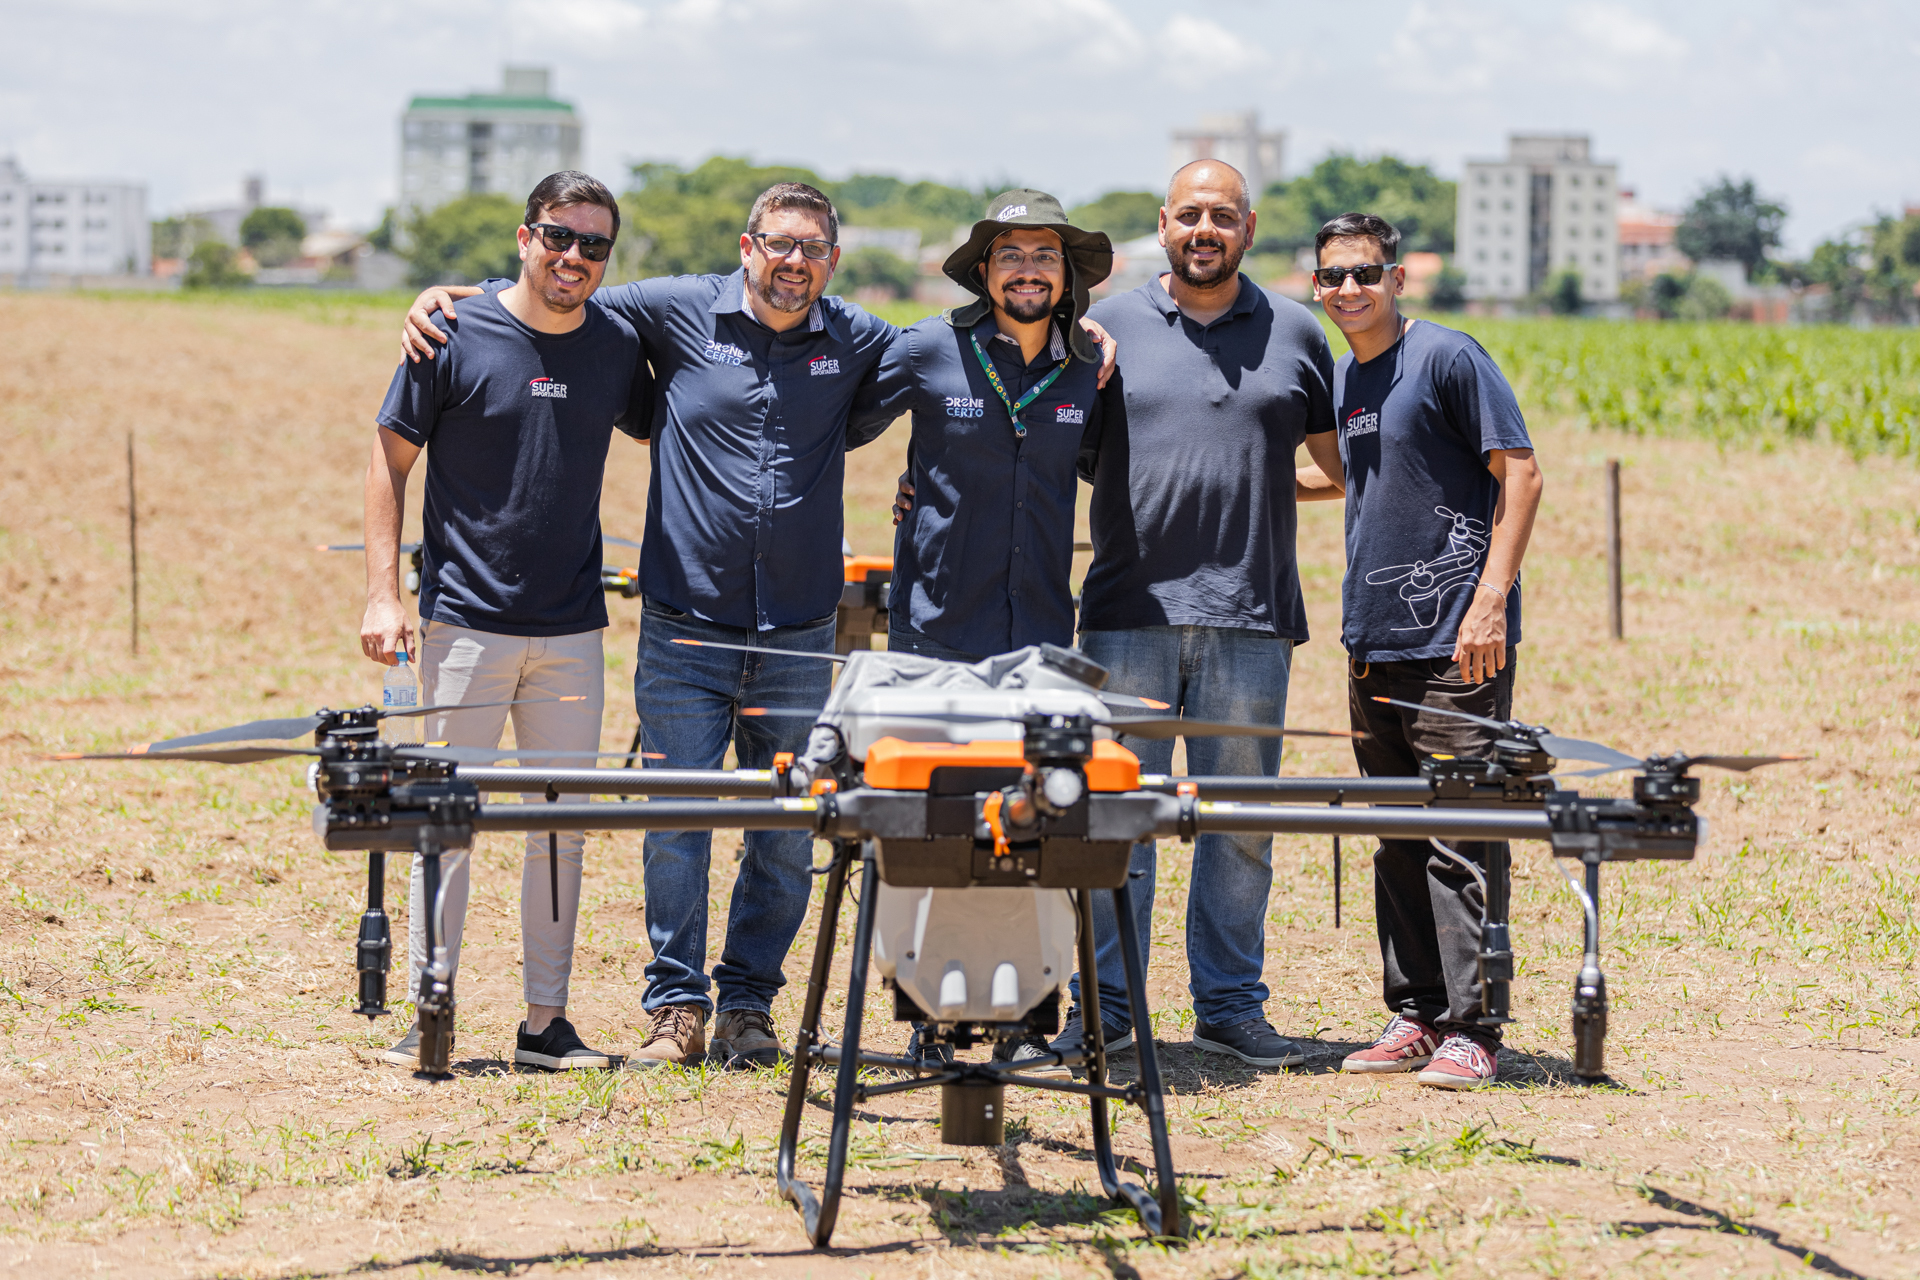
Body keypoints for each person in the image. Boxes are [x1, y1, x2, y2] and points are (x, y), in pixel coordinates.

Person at [398, 184, 1118, 1070]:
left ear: (834, 261)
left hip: (799, 629)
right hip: (684, 627)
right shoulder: (672, 309)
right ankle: (676, 1007)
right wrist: (456, 294)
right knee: (679, 819)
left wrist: (1083, 346)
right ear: (747, 246)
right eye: (779, 245)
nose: (793, 263)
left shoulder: (858, 338)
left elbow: (931, 393)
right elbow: (557, 287)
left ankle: (748, 1002)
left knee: (785, 826)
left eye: (813, 249)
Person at [1055, 159, 1347, 1071]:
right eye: (1190, 216)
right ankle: (1107, 1010)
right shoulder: (1106, 330)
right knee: (1115, 825)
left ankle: (1229, 1008)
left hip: (1252, 618)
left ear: (1249, 229)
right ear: (1164, 225)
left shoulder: (1298, 333)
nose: (1205, 230)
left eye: (1223, 215)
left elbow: (1337, 467)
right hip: (1126, 613)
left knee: (1238, 826)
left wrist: (1263, 486)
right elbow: (1063, 453)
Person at [362, 171, 651, 1071]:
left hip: (573, 630)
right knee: (444, 821)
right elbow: (388, 462)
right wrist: (383, 592)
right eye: (559, 237)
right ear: (525, 236)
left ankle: (545, 1024)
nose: (575, 258)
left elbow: (695, 415)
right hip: (462, 628)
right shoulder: (450, 330)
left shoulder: (616, 346)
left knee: (561, 827)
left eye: (595, 245)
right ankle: (430, 1008)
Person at [855, 190, 1115, 1071]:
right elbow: (841, 425)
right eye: (1012, 255)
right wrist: (906, 482)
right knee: (936, 828)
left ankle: (1025, 1011)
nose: (1029, 269)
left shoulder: (1089, 370)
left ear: (1067, 274)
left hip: (1040, 635)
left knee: (1035, 823)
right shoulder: (929, 347)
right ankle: (931, 1014)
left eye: (1045, 254)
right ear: (984, 271)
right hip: (935, 630)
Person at [1312, 211, 1544, 1091]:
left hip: (1456, 646)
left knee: (1460, 831)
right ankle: (1414, 1014)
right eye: (1332, 276)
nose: (1348, 290)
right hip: (1373, 641)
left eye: (1365, 273)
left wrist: (1488, 604)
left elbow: (1518, 471)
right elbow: (1353, 477)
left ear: (1397, 279)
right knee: (1396, 834)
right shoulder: (1348, 377)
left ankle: (1475, 1027)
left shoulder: (1448, 357)